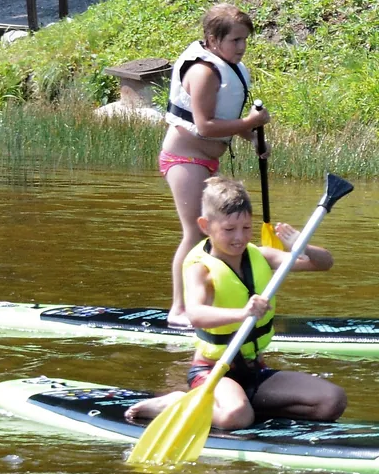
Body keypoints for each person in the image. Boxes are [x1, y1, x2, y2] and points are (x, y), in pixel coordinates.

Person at [125, 175, 344, 431]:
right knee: (237, 417)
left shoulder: (260, 255)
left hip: (254, 371)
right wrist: (242, 313)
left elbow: (323, 263)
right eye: (229, 230)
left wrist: (303, 245)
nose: (239, 237)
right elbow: (196, 314)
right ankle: (177, 403)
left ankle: (244, 404)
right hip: (213, 372)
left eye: (246, 228)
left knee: (332, 401)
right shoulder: (200, 268)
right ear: (205, 225)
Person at [159, 4, 271, 325]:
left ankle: (209, 304)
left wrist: (253, 138)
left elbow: (226, 118)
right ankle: (179, 310)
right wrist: (249, 123)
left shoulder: (228, 66)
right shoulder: (204, 72)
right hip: (184, 159)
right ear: (212, 39)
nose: (242, 46)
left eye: (244, 39)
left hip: (207, 160)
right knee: (195, 233)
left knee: (214, 235)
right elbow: (205, 126)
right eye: (235, 40)